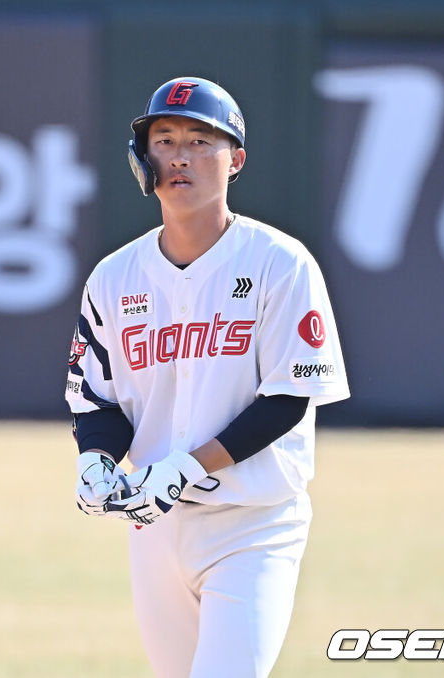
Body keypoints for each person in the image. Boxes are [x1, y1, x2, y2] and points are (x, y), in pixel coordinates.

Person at [65, 76, 349, 677]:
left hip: (253, 522)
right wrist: (95, 460)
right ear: (144, 159)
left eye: (201, 140)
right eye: (164, 140)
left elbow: (288, 398)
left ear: (236, 159)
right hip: (154, 527)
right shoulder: (113, 278)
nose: (180, 156)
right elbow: (98, 400)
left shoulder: (280, 263)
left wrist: (188, 465)